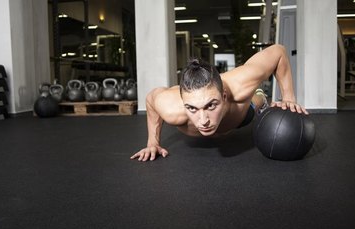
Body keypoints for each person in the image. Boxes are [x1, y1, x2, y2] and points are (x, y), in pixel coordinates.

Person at [130, 44, 308, 162]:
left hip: (241, 115)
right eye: (192, 108)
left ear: (223, 96)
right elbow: (150, 100)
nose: (203, 120)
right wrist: (152, 142)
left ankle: (259, 96)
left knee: (254, 102)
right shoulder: (170, 108)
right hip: (222, 111)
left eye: (211, 105)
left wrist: (289, 99)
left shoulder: (240, 83)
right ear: (183, 102)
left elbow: (278, 52)